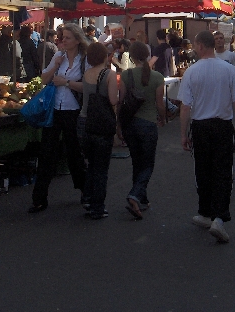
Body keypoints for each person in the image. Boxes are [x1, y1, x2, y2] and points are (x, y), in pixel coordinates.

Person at [179, 30, 235, 243]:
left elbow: (185, 106)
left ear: (200, 46)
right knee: (222, 171)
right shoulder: (228, 69)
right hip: (222, 125)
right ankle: (218, 216)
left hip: (200, 126)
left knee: (203, 169)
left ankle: (206, 211)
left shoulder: (191, 72)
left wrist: (183, 133)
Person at [29, 23, 89, 213]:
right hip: (55, 109)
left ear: (77, 40)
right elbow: (44, 79)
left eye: (67, 37)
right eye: (62, 37)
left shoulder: (84, 60)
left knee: (75, 153)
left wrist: (67, 82)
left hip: (73, 111)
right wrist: (54, 66)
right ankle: (39, 198)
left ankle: (85, 191)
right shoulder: (58, 56)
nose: (63, 40)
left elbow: (88, 87)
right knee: (47, 153)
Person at [121, 42, 165, 220]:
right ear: (147, 55)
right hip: (148, 123)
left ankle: (142, 198)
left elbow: (122, 101)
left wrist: (119, 125)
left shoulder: (126, 74)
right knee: (147, 164)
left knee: (137, 162)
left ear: (131, 56)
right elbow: (160, 104)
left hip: (130, 124)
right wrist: (163, 118)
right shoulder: (157, 77)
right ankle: (135, 194)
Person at [80, 42, 119, 219]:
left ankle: (87, 198)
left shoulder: (86, 73)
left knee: (91, 164)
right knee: (102, 167)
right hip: (103, 124)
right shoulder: (109, 74)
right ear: (105, 56)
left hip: (86, 122)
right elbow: (112, 100)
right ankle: (98, 206)